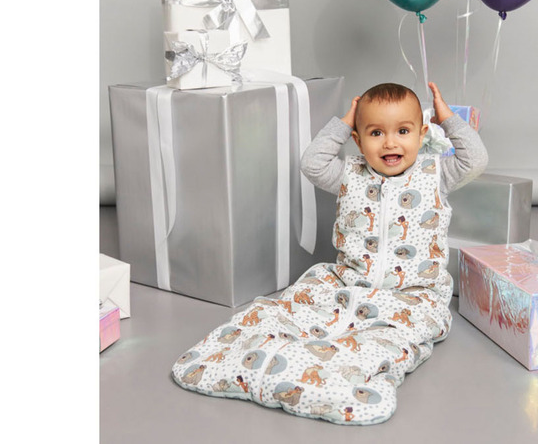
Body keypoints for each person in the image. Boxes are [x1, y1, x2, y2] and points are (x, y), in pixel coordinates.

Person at [170, 81, 487, 426]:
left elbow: (476, 159)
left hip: (410, 293)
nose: (390, 142)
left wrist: (447, 118)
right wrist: (344, 122)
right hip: (345, 283)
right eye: (376, 132)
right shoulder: (350, 175)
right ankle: (249, 360)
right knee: (287, 312)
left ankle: (343, 386)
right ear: (358, 140)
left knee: (382, 341)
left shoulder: (435, 175)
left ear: (422, 133)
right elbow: (313, 163)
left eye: (403, 131)